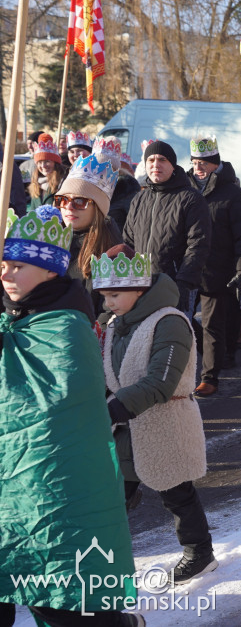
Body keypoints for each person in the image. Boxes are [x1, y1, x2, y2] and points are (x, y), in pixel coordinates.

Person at [1, 208, 141, 626]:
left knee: (65, 593)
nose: (6, 273)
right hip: (9, 484)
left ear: (48, 273)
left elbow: (46, 400)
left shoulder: (67, 324)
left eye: (18, 266)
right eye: (3, 264)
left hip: (52, 484)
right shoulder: (11, 314)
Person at [94, 244, 215, 587]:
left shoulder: (170, 322)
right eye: (104, 296)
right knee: (114, 495)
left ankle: (199, 554)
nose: (108, 304)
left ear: (139, 288)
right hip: (128, 424)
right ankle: (107, 561)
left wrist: (111, 409)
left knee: (176, 492)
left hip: (166, 421)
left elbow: (161, 381)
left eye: (114, 295)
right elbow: (110, 373)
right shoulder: (118, 322)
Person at [187, 135, 241, 396]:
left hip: (218, 270)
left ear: (215, 164)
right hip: (188, 268)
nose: (198, 168)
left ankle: (210, 377)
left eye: (204, 162)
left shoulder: (234, 195)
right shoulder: (187, 190)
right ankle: (216, 355)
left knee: (212, 324)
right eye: (195, 162)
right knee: (181, 317)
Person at [123, 140, 212, 312]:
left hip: (174, 284)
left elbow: (198, 245)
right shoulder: (139, 199)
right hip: (140, 286)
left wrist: (184, 283)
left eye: (162, 160)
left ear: (172, 165)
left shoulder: (190, 198)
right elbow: (128, 242)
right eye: (151, 160)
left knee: (172, 336)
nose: (156, 164)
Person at [55, 152, 123, 314]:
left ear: (98, 209)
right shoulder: (51, 239)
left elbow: (108, 314)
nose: (69, 207)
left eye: (80, 201)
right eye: (63, 199)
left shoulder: (111, 252)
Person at [33, 133, 66, 206]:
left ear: (55, 163)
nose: (43, 166)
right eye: (39, 162)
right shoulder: (35, 184)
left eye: (47, 161)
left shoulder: (63, 183)